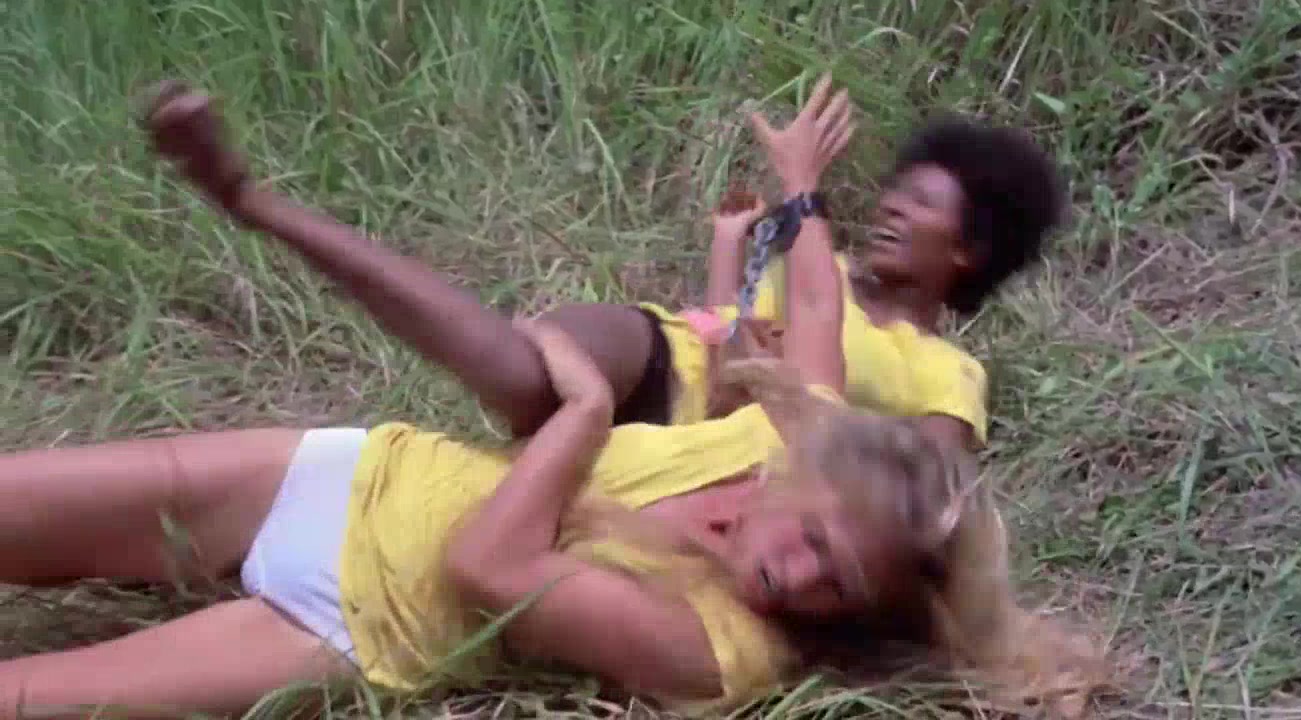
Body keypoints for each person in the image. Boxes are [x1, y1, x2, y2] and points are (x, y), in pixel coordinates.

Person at [0, 75, 1100, 719]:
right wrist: (794, 195)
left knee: (29, 696)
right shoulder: (775, 433)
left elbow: (488, 567)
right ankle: (256, 203)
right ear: (799, 474)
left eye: (836, 588)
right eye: (814, 539)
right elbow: (813, 307)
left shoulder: (726, 652)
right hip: (351, 472)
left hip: (344, 626)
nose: (798, 577)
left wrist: (581, 419)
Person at [138, 76, 1064, 456]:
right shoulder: (811, 263)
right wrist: (729, 257)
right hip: (667, 366)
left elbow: (928, 488)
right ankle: (255, 202)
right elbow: (720, 339)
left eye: (922, 204)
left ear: (970, 249)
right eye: (895, 192)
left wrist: (800, 193)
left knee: (550, 407)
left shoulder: (947, 371)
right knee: (532, 362)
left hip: (715, 459)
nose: (893, 207)